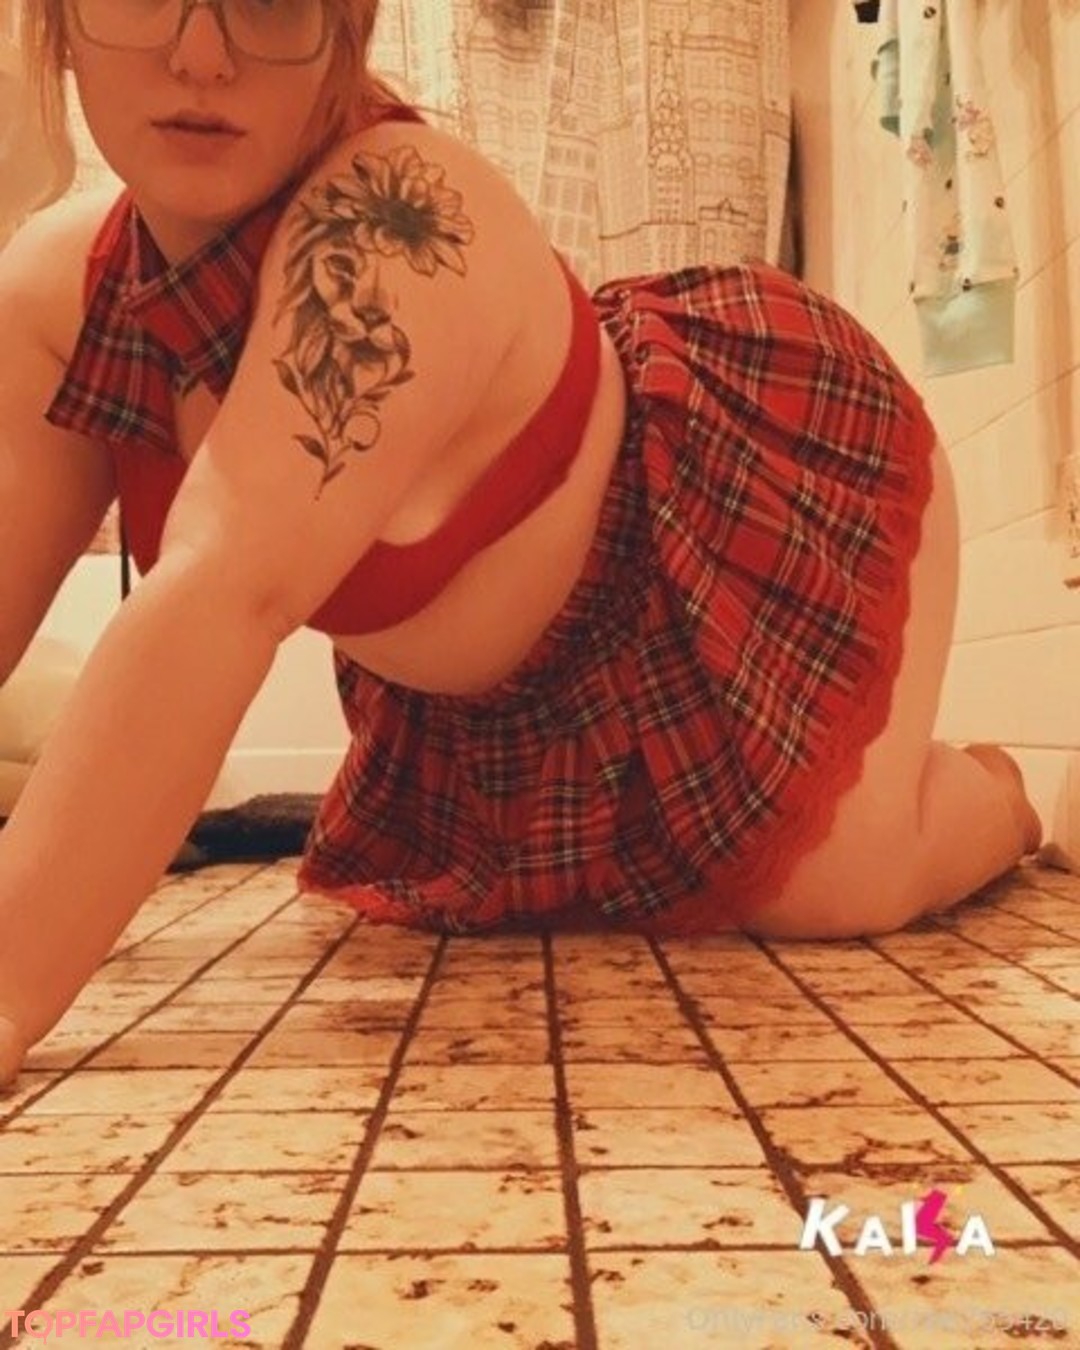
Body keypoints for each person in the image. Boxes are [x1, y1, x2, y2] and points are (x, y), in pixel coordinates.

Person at [0, 0, 1042, 1088]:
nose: (201, 54)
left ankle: (1001, 794)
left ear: (347, 26)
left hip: (730, 501)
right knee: (633, 894)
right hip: (497, 691)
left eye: (272, 2)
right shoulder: (57, 294)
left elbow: (223, 589)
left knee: (840, 884)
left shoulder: (394, 223)